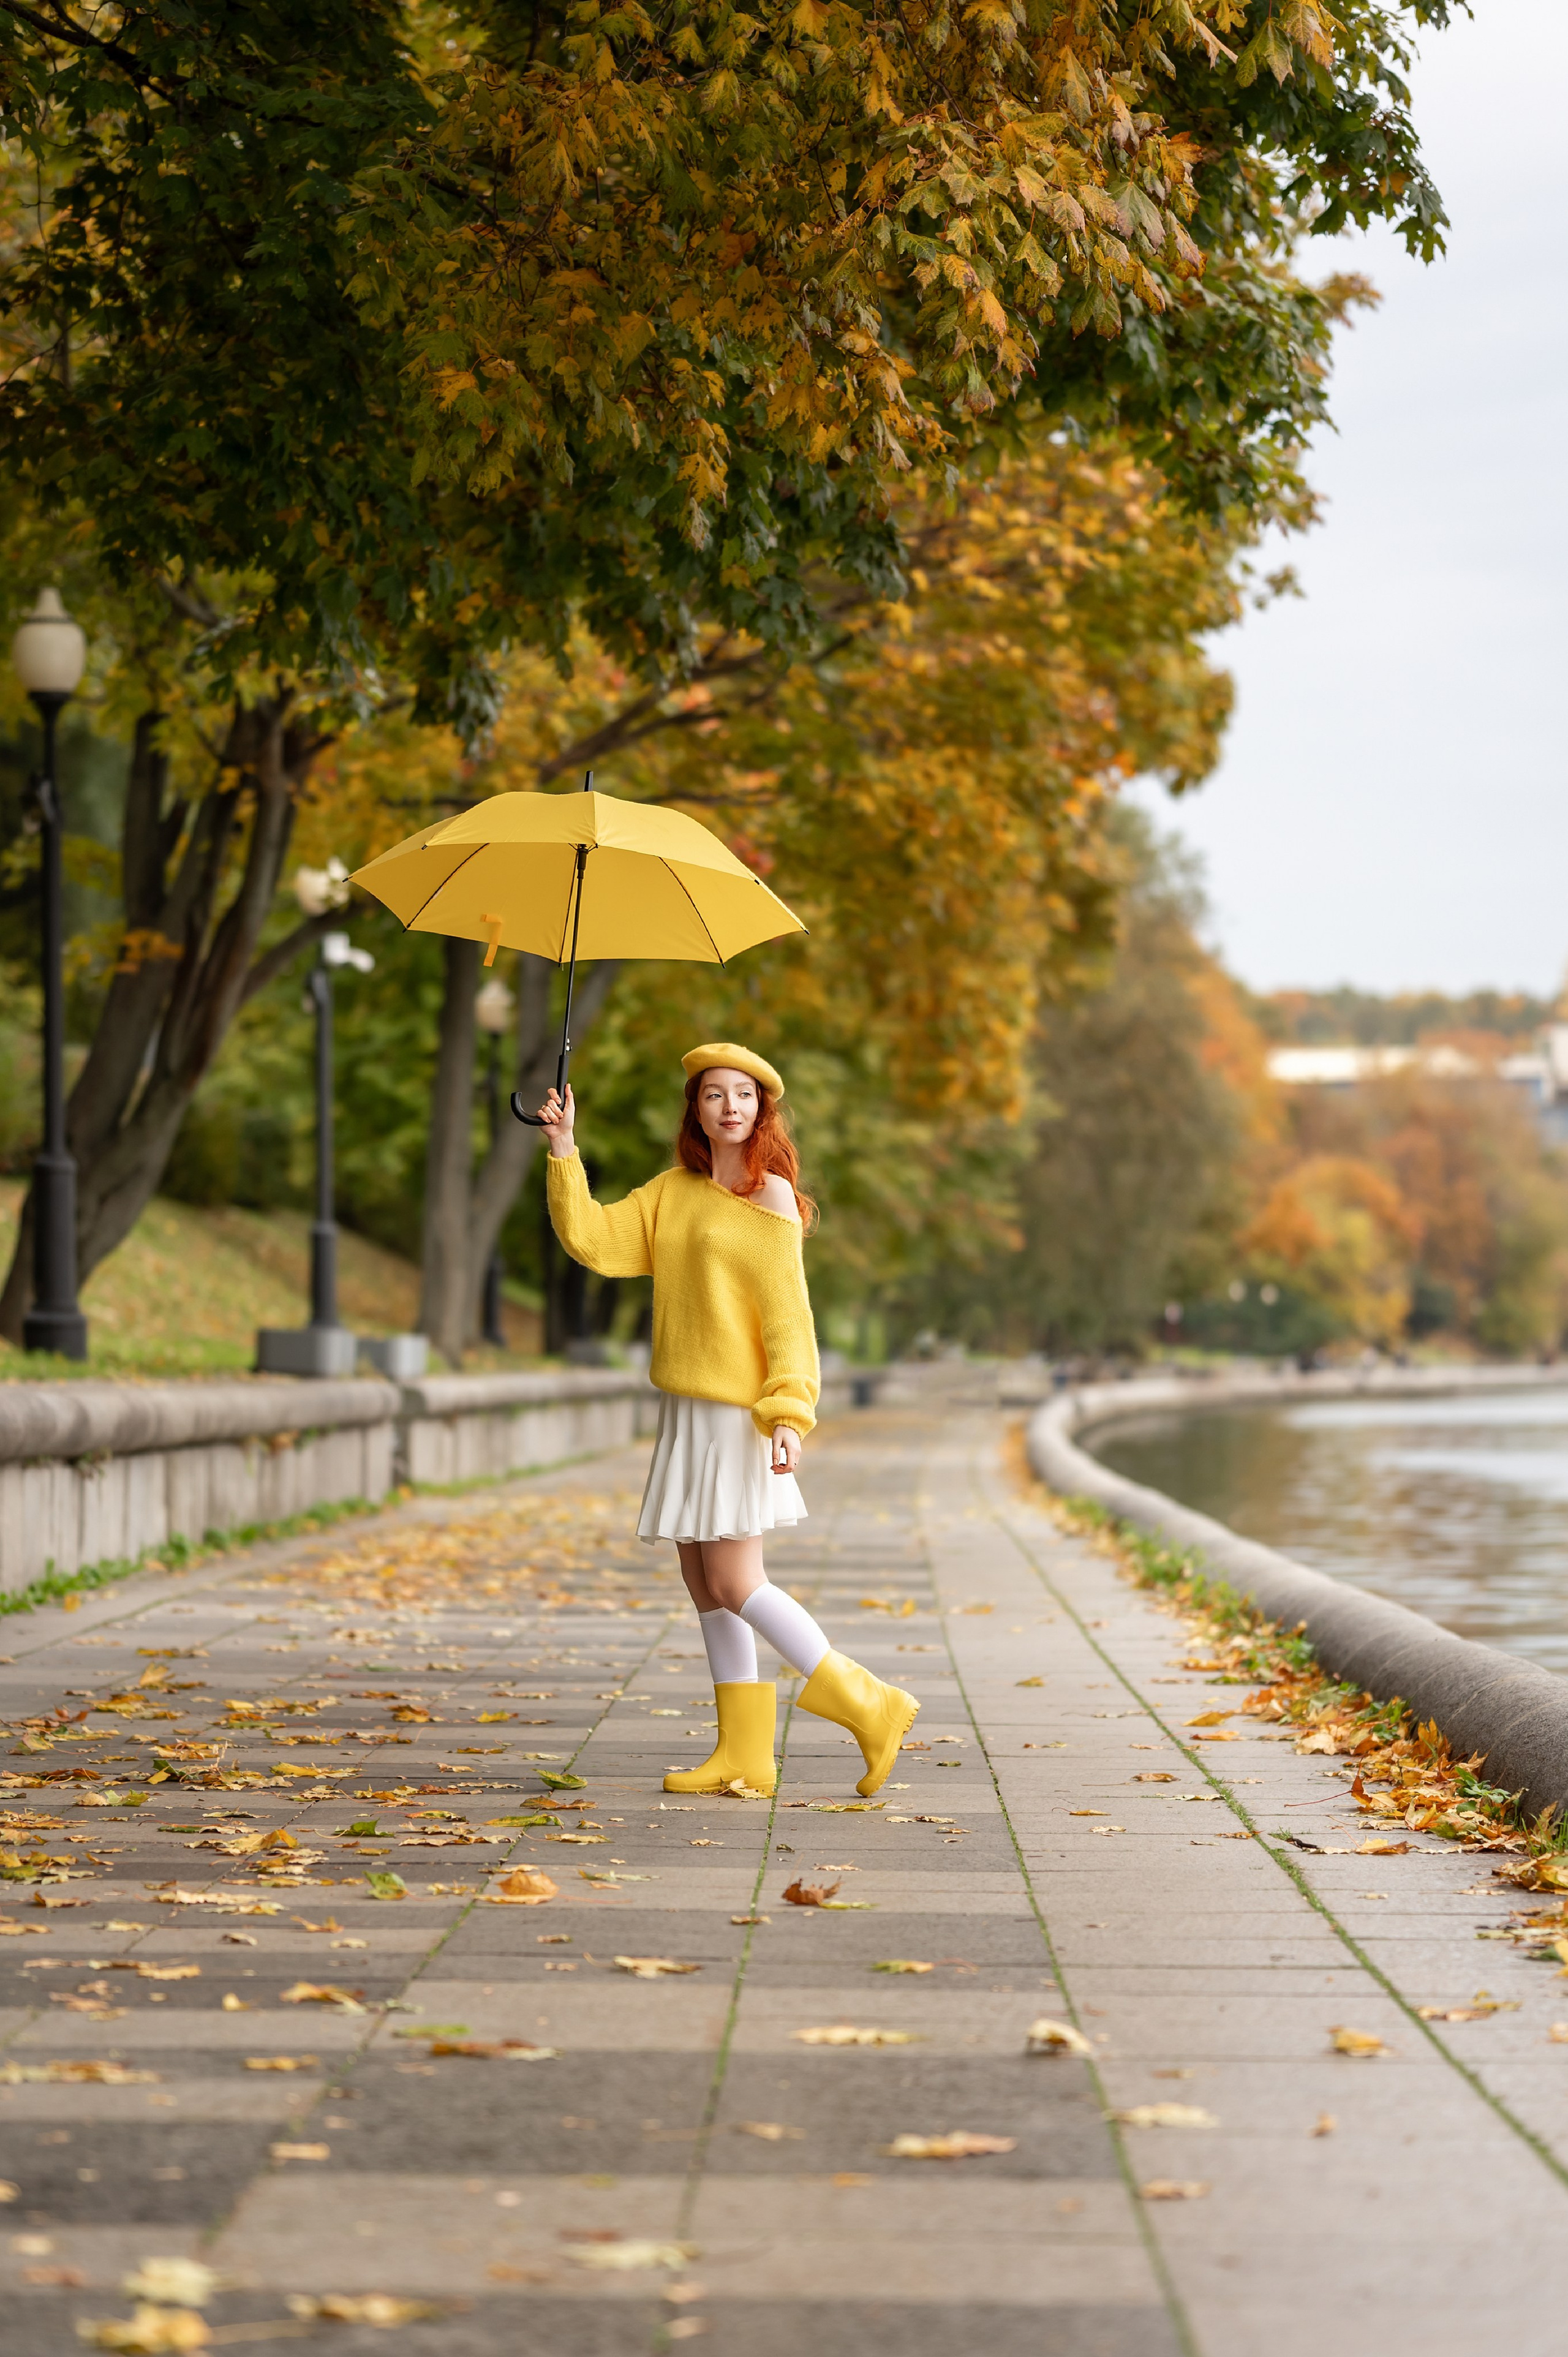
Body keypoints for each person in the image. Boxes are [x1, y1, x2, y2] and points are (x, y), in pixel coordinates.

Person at [537, 1041, 919, 1797]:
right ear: (697, 1110)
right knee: (703, 1582)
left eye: (744, 1094)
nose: (731, 1106)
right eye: (715, 1094)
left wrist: (788, 1411)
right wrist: (563, 1149)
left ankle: (870, 1704)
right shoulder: (670, 1192)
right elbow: (590, 1237)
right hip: (686, 1409)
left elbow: (788, 1318)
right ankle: (744, 1753)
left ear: (762, 1109)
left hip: (740, 1415)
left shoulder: (769, 1197)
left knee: (737, 1578)